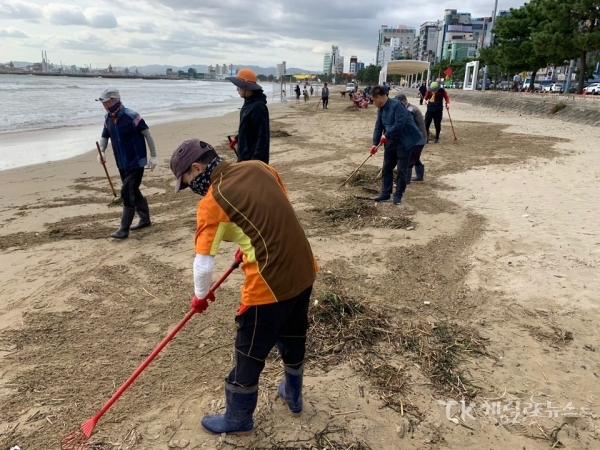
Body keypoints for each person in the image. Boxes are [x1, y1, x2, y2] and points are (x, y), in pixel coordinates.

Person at [169, 138, 318, 435]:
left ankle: (238, 419)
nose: (189, 188)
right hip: (304, 268)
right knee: (293, 334)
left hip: (269, 284)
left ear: (197, 168)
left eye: (187, 181)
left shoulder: (212, 202)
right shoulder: (258, 167)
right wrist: (248, 242)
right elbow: (276, 209)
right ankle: (294, 395)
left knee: (249, 350)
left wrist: (200, 297)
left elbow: (203, 264)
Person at [96, 86, 157, 239]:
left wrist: (153, 156)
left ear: (114, 101)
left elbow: (147, 135)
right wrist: (102, 151)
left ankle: (124, 229)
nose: (104, 105)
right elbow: (104, 136)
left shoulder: (132, 116)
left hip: (136, 162)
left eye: (106, 102)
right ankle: (145, 219)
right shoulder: (107, 118)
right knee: (133, 191)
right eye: (103, 103)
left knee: (126, 192)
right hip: (121, 162)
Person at [369, 85, 422, 205]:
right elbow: (378, 127)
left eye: (373, 100)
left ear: (379, 97)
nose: (373, 103)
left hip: (404, 141)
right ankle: (385, 193)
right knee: (387, 168)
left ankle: (398, 195)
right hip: (390, 142)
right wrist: (374, 144)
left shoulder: (397, 105)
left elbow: (400, 124)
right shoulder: (381, 109)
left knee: (401, 170)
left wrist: (386, 135)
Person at [225, 68, 270, 164]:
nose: (237, 89)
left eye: (239, 86)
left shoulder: (258, 107)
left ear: (247, 87)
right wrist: (237, 138)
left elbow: (263, 136)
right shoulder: (248, 103)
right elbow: (249, 128)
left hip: (253, 160)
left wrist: (255, 161)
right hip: (244, 157)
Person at [396, 94, 426, 184]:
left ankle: (405, 180)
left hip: (418, 138)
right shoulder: (410, 108)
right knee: (415, 157)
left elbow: (408, 126)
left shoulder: (410, 111)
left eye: (399, 103)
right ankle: (420, 177)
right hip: (420, 137)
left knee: (409, 159)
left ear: (404, 101)